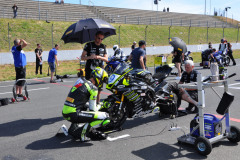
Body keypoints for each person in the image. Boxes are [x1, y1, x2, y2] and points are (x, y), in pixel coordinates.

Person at [62, 67, 109, 142]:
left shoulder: (80, 81)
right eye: (102, 81)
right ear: (98, 78)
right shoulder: (93, 88)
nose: (101, 83)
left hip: (65, 112)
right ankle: (82, 134)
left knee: (84, 106)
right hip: (73, 114)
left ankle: (73, 129)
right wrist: (102, 105)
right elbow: (93, 110)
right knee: (106, 117)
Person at [81, 31, 108, 104]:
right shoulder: (88, 45)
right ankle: (87, 105)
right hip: (90, 71)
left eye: (102, 39)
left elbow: (106, 59)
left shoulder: (103, 46)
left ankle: (97, 105)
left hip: (100, 72)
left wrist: (99, 57)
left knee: (99, 91)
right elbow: (82, 57)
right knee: (89, 89)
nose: (100, 40)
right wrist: (90, 57)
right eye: (98, 38)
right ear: (95, 37)